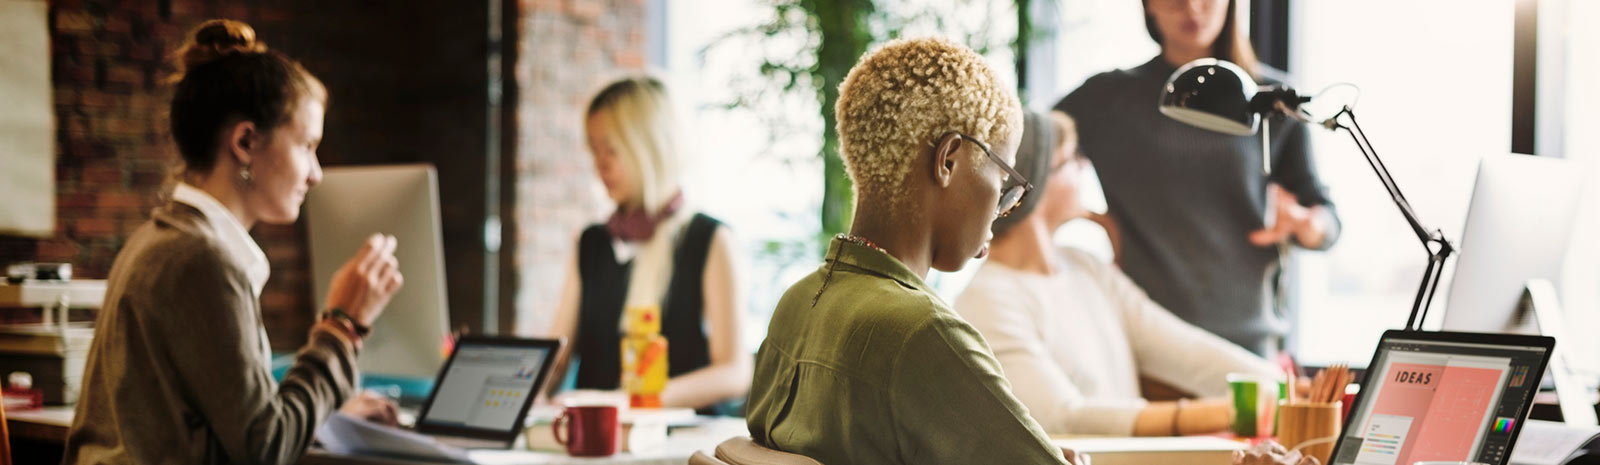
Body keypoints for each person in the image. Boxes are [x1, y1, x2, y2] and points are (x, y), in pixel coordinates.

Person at [745, 36, 1316, 465]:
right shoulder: (924, 331)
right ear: (949, 160)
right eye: (1001, 176)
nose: (1007, 203)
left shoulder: (797, 305)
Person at [64, 19, 404, 464]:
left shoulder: (160, 239)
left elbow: (239, 422)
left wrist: (321, 414)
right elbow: (264, 448)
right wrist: (340, 327)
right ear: (245, 141)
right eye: (306, 145)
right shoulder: (201, 259)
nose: (315, 173)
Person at [954, 109, 1283, 437]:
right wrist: (1230, 411)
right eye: (1072, 159)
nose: (1085, 167)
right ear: (1033, 187)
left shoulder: (1086, 268)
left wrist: (1281, 385)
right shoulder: (987, 301)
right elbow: (1065, 417)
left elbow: (1183, 349)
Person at [1055, 0, 1340, 356]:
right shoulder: (1106, 98)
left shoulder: (1273, 99)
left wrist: (1308, 225)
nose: (1191, 7)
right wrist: (1091, 218)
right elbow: (1028, 154)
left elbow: (1328, 221)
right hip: (1148, 344)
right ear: (1149, 5)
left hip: (1248, 344)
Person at [544, 76, 750, 412]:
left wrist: (628, 402)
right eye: (594, 149)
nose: (600, 164)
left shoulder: (709, 239)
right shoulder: (592, 242)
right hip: (596, 445)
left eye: (611, 149)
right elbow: (556, 355)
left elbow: (734, 372)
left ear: (650, 146)